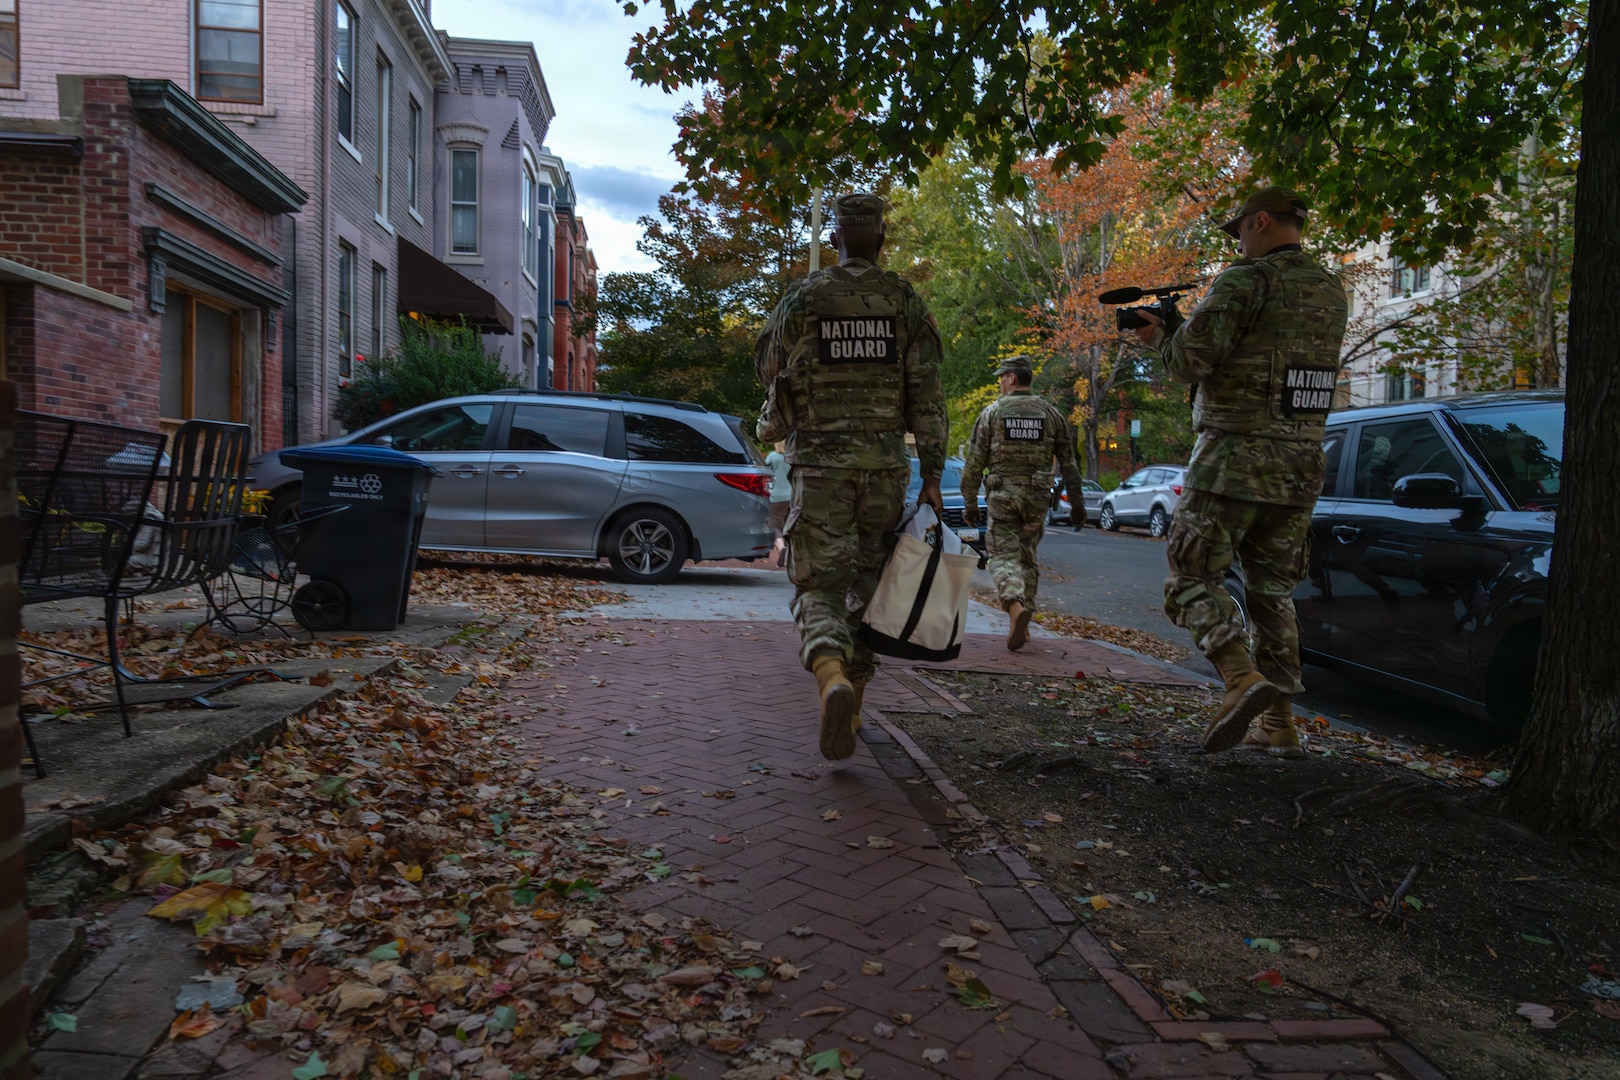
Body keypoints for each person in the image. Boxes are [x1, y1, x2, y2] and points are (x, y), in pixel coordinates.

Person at [1133, 185, 1349, 757]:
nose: (1239, 244)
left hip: (1234, 457)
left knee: (1189, 577)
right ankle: (1279, 724)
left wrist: (1159, 337)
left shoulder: (1245, 281)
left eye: (1240, 231)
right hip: (1301, 463)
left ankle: (1237, 676)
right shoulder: (1331, 290)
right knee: (1272, 593)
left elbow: (1189, 361)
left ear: (1260, 221)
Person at [755, 193, 949, 761]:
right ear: (881, 240)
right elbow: (927, 395)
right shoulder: (904, 301)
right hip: (884, 469)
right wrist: (933, 475)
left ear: (835, 238)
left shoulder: (804, 297)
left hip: (820, 468)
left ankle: (831, 674)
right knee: (869, 585)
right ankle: (855, 700)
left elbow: (768, 369)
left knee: (818, 587)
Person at [960, 356, 1085, 650]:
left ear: (1013, 378)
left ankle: (1015, 606)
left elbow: (974, 463)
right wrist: (1077, 503)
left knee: (1002, 556)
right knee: (1027, 556)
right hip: (1037, 499)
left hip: (1003, 498)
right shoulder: (1051, 414)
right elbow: (1069, 464)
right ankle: (1024, 623)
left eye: (1002, 377)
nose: (1000, 383)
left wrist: (970, 503)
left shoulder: (992, 413)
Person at [765, 441, 792, 565]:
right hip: (792, 496)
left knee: (773, 524)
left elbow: (766, 472)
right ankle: (791, 556)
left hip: (776, 496)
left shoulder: (773, 456)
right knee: (789, 526)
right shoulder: (792, 458)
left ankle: (781, 547)